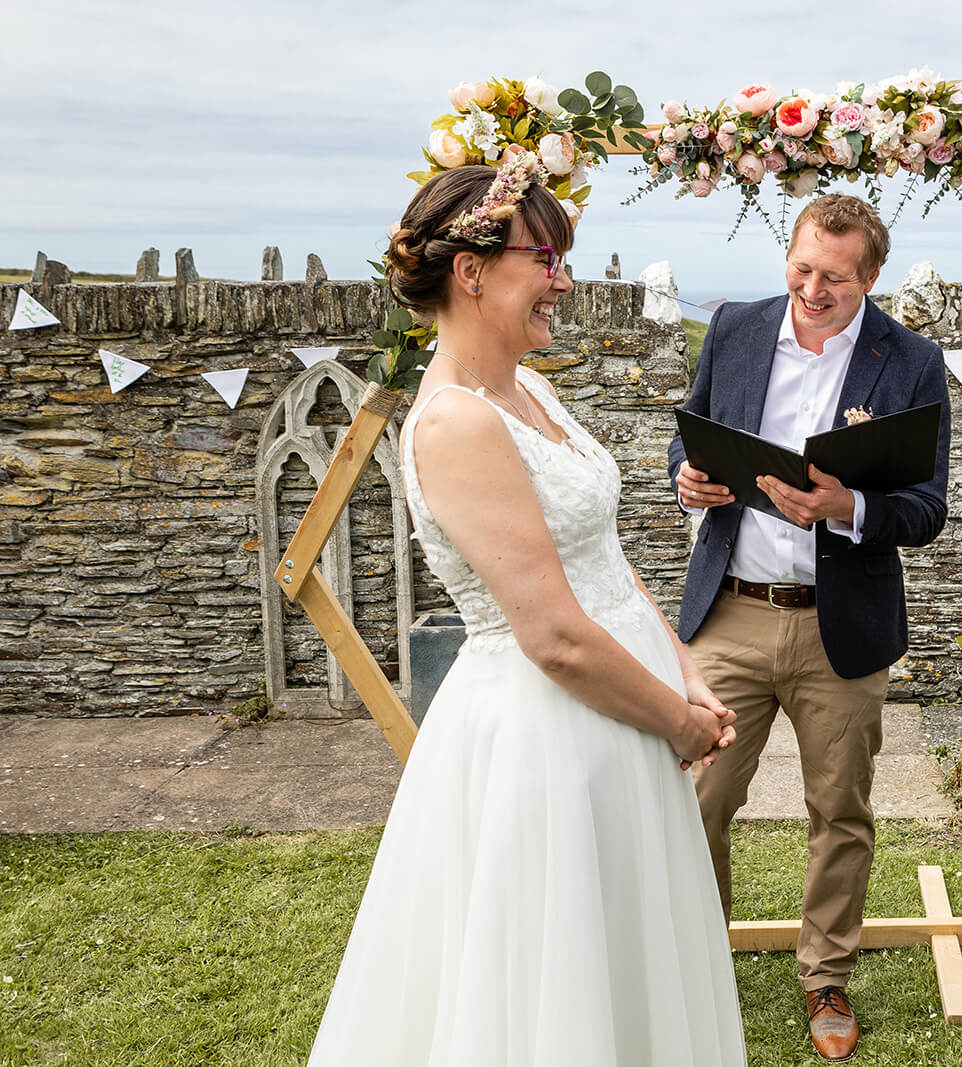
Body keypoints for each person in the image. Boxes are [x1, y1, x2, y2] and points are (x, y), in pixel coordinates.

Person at [308, 157, 746, 1066]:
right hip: (553, 741)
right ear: (472, 271)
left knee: (630, 969)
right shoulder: (456, 422)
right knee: (554, 984)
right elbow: (550, 634)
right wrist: (678, 723)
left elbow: (604, 568)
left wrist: (686, 668)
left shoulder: (531, 388)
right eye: (544, 258)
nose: (565, 280)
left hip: (626, 715)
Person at [668, 194, 950, 1062]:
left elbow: (928, 507)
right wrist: (688, 478)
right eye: (800, 267)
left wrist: (848, 505)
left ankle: (826, 973)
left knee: (840, 809)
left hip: (843, 626)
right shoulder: (738, 328)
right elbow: (690, 434)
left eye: (834, 275)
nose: (812, 288)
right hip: (731, 613)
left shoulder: (912, 361)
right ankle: (695, 964)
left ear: (870, 276)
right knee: (696, 800)